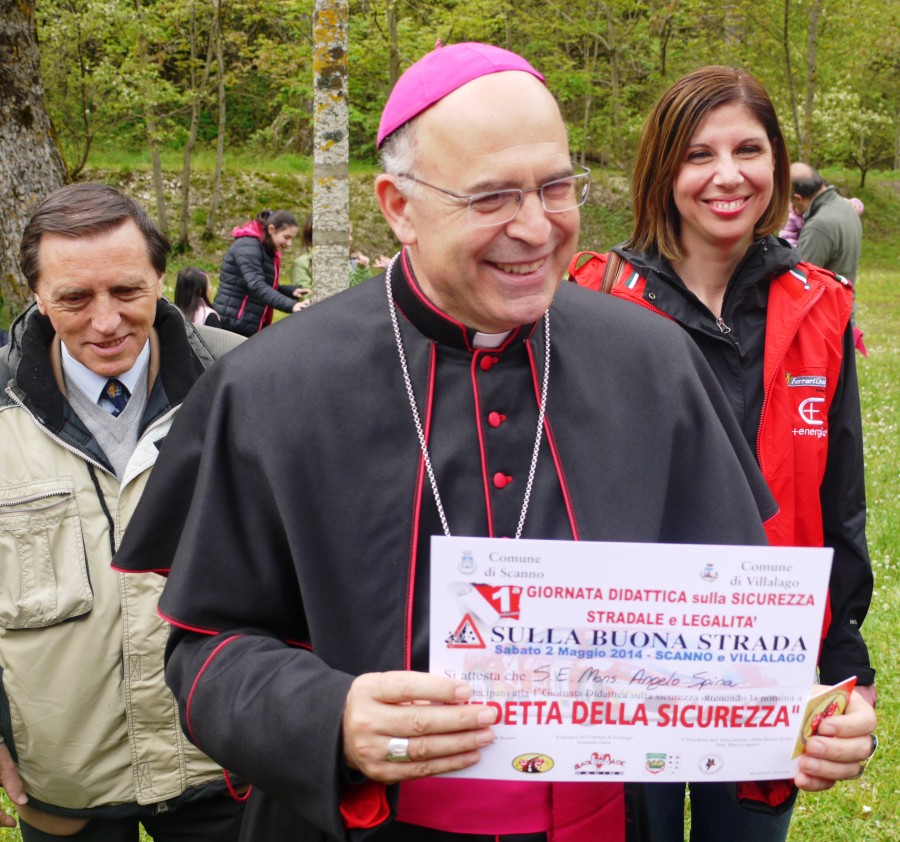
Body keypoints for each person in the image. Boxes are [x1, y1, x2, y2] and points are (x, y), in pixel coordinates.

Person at [113, 44, 875, 842]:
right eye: (492, 198)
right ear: (397, 206)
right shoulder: (274, 384)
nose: (536, 227)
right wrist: (329, 717)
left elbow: (726, 638)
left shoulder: (653, 362)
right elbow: (203, 652)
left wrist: (805, 721)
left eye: (555, 187)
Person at [568, 66, 877, 842]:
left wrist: (849, 671)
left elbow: (838, 511)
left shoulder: (821, 305)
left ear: (777, 164)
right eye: (699, 154)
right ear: (663, 168)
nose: (728, 176)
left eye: (749, 149)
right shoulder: (587, 300)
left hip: (761, 669)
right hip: (621, 670)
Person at [0, 183, 246, 841]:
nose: (105, 322)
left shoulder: (246, 384)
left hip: (225, 765)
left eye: (128, 292)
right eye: (74, 298)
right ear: (35, 293)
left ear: (161, 278)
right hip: (64, 779)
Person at [214, 208, 311, 335]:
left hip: (246, 321)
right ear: (272, 229)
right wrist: (291, 305)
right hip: (233, 322)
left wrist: (290, 292)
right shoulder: (248, 246)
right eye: (286, 237)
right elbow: (256, 285)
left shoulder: (265, 247)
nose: (289, 243)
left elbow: (262, 284)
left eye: (292, 239)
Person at [290, 214, 376, 289]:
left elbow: (358, 289)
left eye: (351, 234)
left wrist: (361, 269)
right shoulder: (301, 264)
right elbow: (303, 295)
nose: (350, 239)